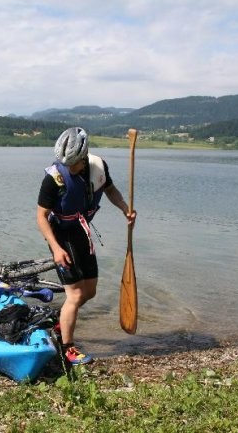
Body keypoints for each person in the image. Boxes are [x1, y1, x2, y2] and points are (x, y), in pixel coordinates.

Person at [36, 127, 136, 364]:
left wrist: (125, 208)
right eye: (65, 163)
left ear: (84, 156)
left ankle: (61, 324)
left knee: (89, 292)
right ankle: (68, 349)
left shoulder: (99, 167)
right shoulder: (53, 179)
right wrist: (56, 249)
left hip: (81, 231)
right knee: (75, 293)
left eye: (72, 164)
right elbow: (41, 217)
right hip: (59, 234)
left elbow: (110, 189)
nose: (68, 168)